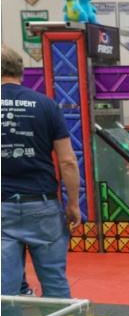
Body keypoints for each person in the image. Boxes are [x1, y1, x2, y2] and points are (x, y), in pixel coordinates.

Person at [1, 44, 82, 299]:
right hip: (43, 205)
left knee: (5, 290)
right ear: (21, 71)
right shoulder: (46, 105)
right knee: (55, 281)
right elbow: (68, 161)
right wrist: (73, 204)